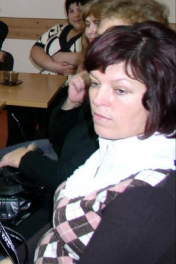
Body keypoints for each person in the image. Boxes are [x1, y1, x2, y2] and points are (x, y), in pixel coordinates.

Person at [29, 22, 176, 263]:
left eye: (120, 90)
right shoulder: (118, 144)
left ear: (163, 96)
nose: (98, 99)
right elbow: (60, 230)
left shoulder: (148, 197)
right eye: (96, 83)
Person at [6, 0, 94, 145]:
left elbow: (90, 57)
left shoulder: (92, 34)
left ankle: (44, 146)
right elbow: (36, 50)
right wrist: (54, 65)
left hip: (68, 89)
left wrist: (66, 56)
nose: (75, 15)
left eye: (80, 10)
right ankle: (19, 146)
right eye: (71, 11)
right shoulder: (57, 29)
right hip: (43, 83)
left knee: (52, 113)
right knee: (17, 106)